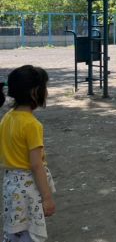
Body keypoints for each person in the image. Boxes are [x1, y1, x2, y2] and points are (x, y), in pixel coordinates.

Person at [0, 65, 56, 242]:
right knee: (29, 233)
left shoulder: (7, 117)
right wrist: (47, 198)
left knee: (16, 228)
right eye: (45, 87)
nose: (47, 92)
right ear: (34, 92)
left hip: (10, 184)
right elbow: (36, 165)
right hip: (28, 187)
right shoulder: (32, 125)